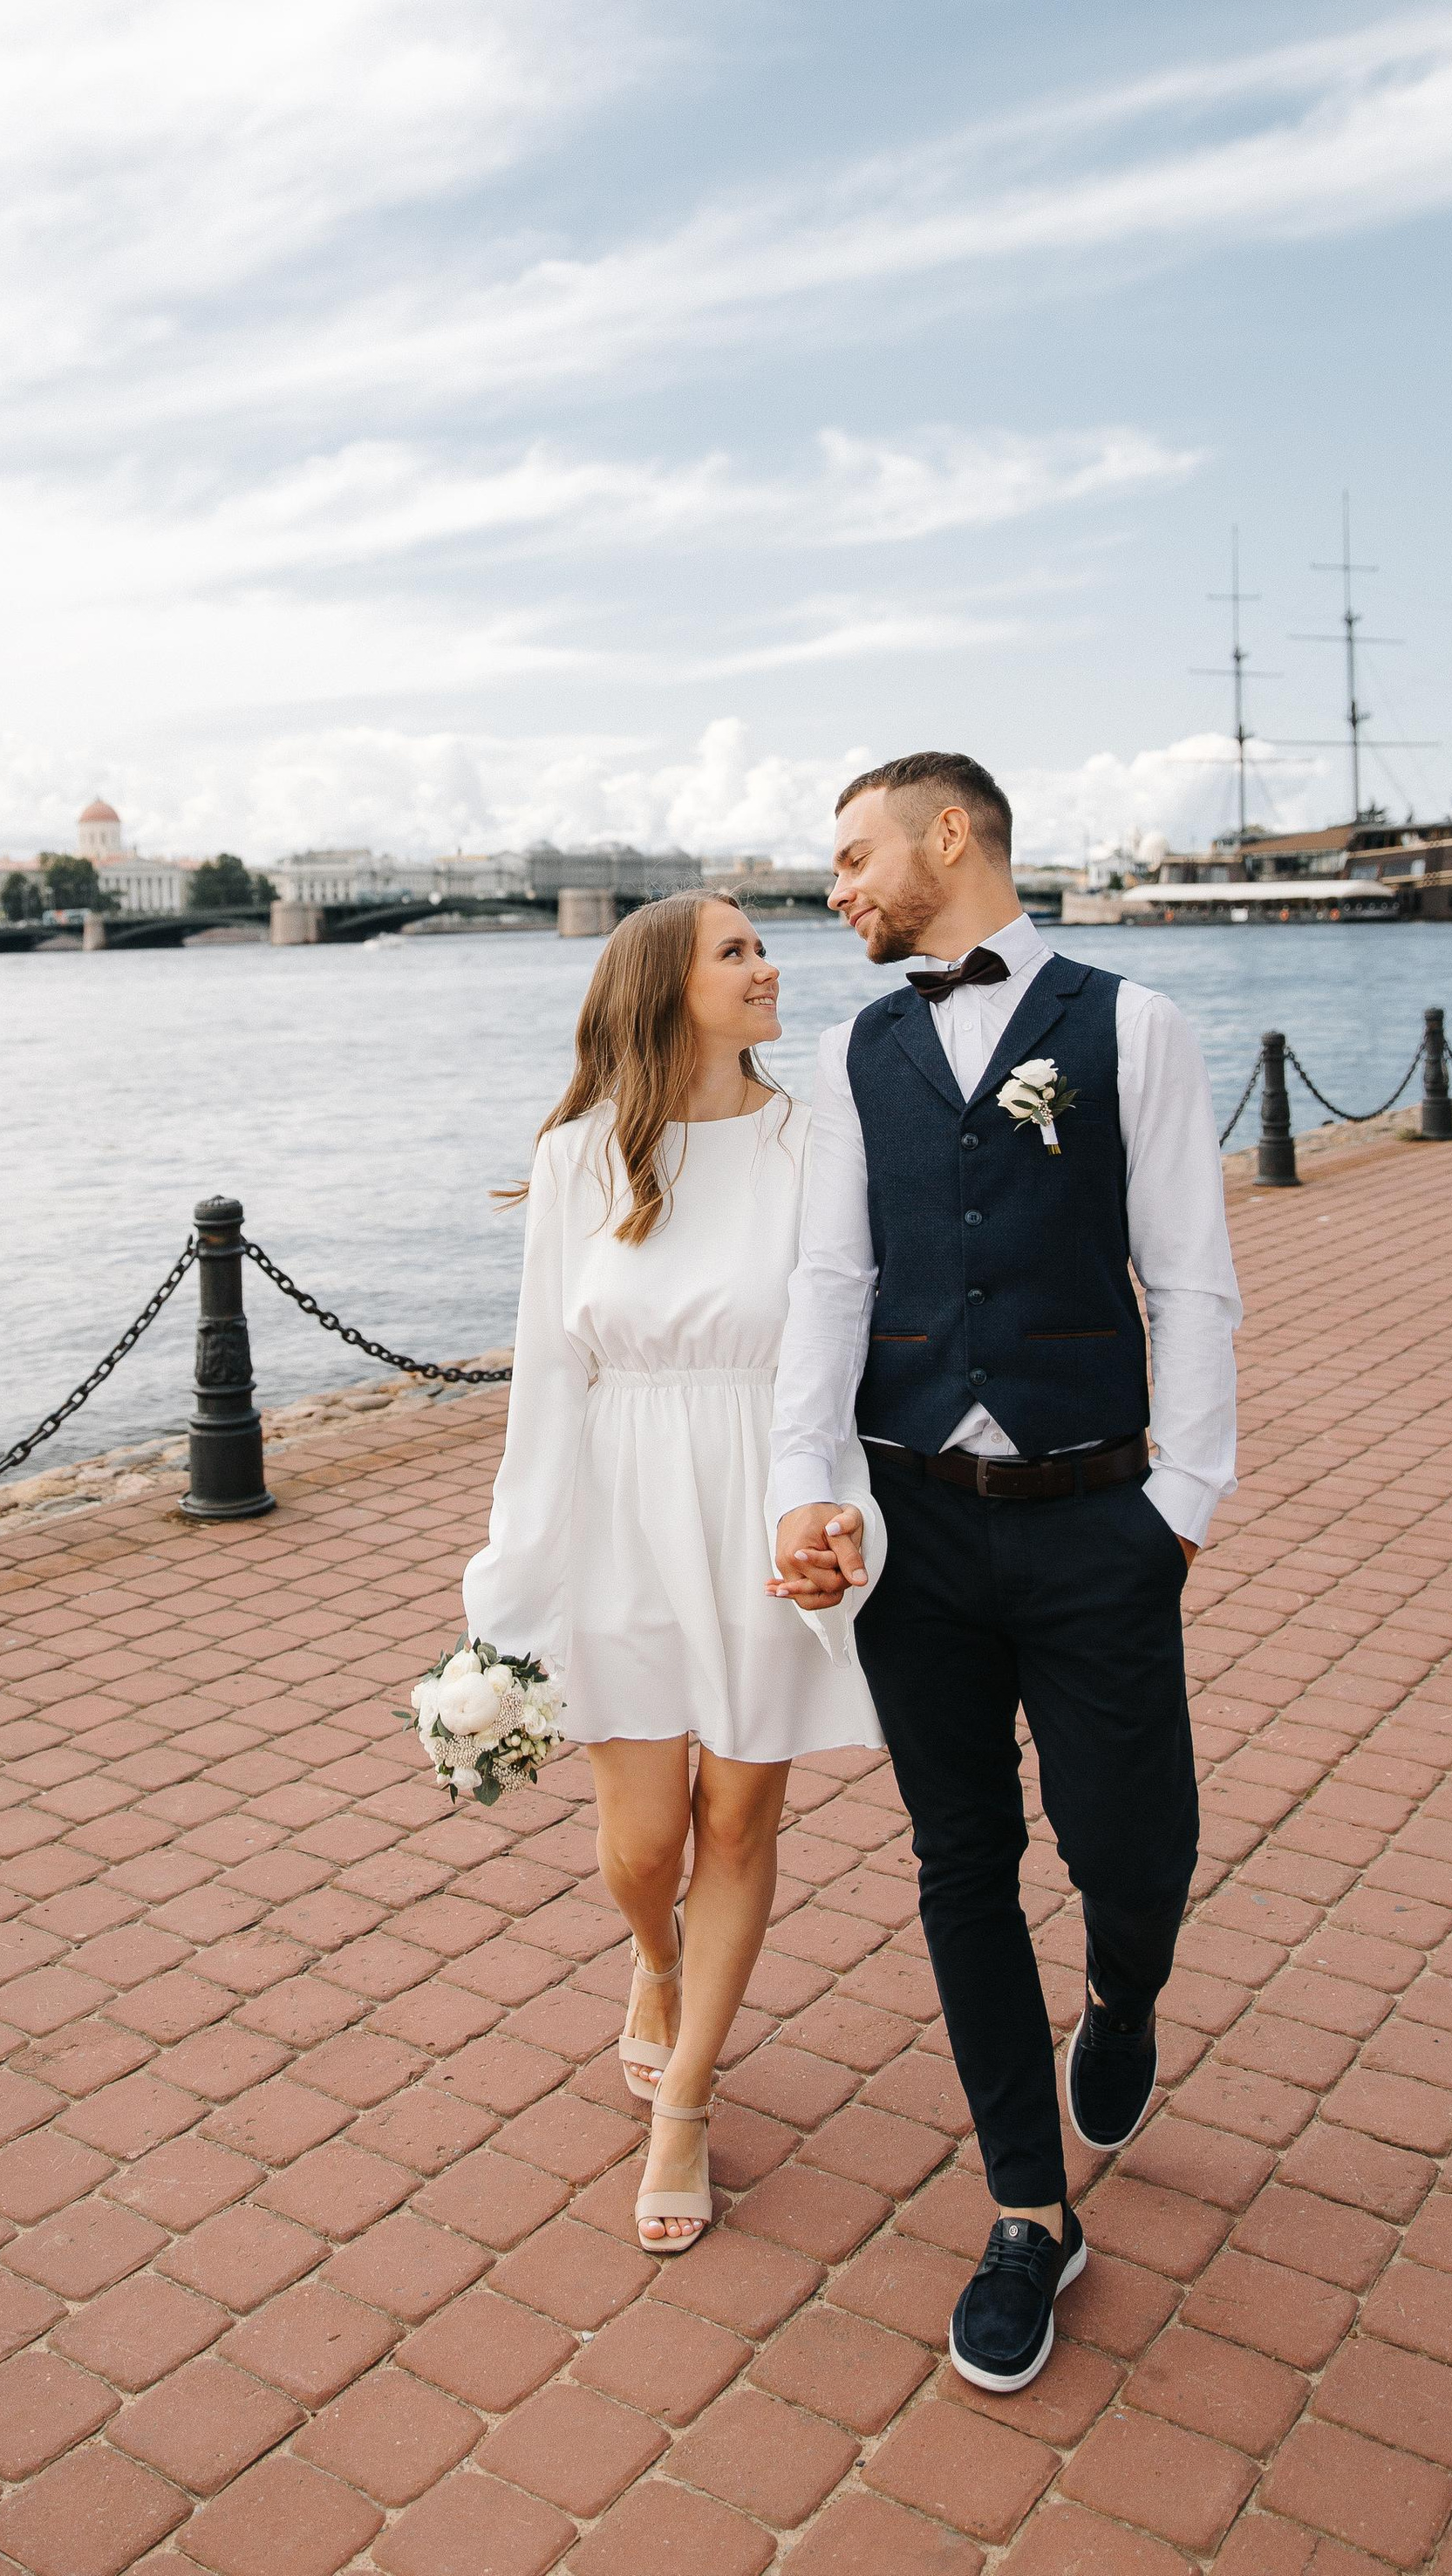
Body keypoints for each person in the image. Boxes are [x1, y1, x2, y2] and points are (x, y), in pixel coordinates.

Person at [771, 752, 1238, 2395]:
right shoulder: (852, 1052)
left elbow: (1190, 1280)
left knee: (1137, 1849)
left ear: (946, 837)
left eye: (850, 856)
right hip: (913, 1525)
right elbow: (832, 1282)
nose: (833, 890)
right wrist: (801, 1489)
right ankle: (1030, 2213)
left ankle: (1123, 1998)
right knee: (960, 1861)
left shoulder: (1137, 1025)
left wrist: (1179, 1503)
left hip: (1097, 1516)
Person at [464, 889, 887, 2256]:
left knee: (742, 1823)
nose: (770, 967)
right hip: (622, 1513)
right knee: (647, 1844)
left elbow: (842, 1353)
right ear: (665, 985)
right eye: (738, 951)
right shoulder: (585, 1158)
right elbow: (547, 1387)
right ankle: (655, 1960)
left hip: (767, 1495)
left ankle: (689, 2101)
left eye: (766, 946)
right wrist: (510, 1592)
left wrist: (835, 1514)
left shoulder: (819, 1143)